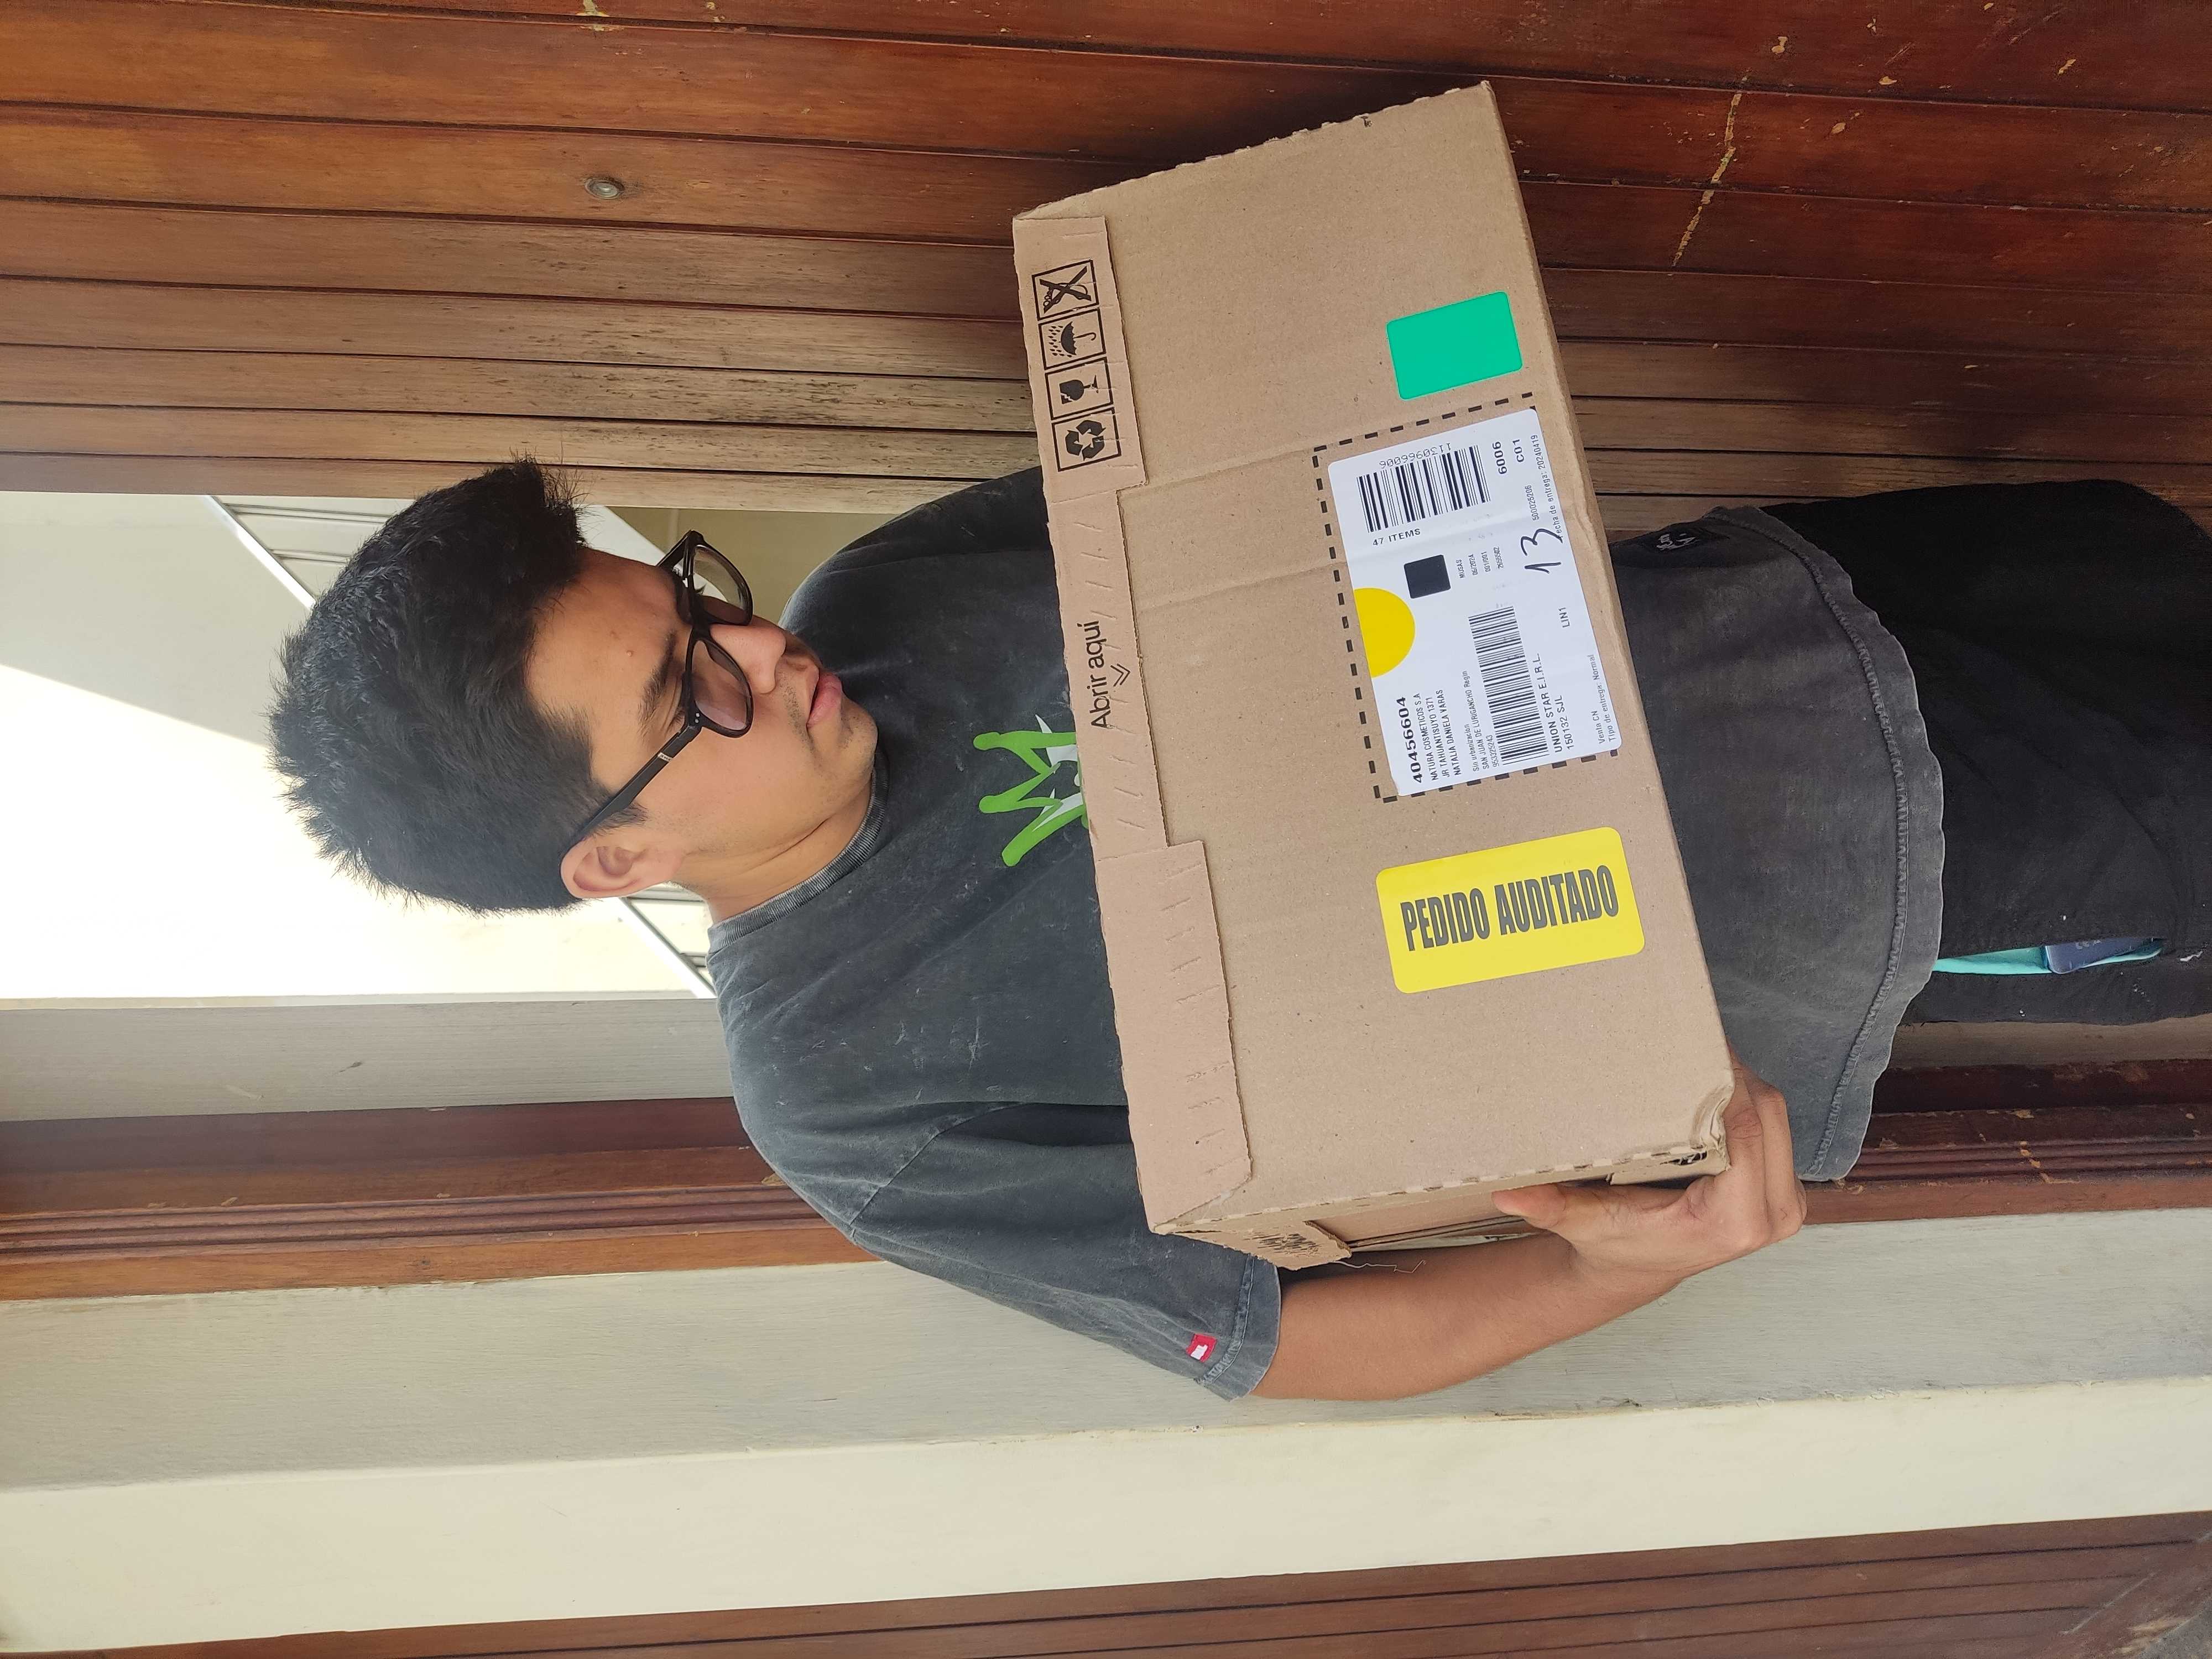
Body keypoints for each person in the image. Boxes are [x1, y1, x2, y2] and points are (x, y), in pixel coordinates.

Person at [269, 463, 2210, 1401]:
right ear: (610, 862)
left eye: (697, 601)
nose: (765, 648)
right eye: (692, 690)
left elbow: (1273, 471)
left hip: (1785, 594)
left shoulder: (891, 589)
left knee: (2151, 552)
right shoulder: (859, 1106)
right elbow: (1277, 1344)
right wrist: (1620, 1267)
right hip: (1908, 873)